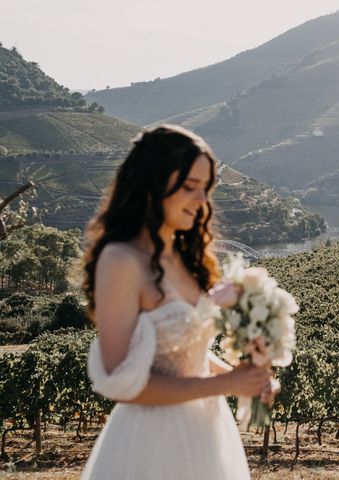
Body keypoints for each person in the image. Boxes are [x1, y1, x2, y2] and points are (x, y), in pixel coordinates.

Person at [80, 124, 274, 479]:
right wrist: (224, 385)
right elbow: (124, 384)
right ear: (152, 185)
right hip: (153, 443)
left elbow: (186, 354)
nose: (202, 202)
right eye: (189, 187)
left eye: (205, 189)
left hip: (208, 433)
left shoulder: (187, 256)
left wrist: (241, 376)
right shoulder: (121, 260)